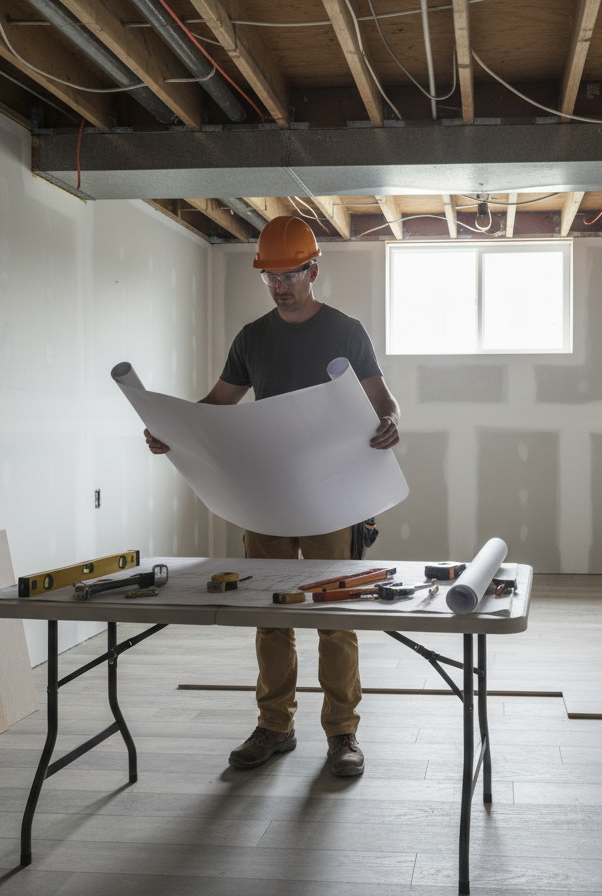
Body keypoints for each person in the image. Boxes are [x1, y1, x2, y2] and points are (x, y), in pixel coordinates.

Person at [144, 216, 399, 778]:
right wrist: (173, 429)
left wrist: (390, 423)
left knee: (334, 618)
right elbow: (216, 404)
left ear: (313, 270)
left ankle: (342, 735)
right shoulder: (252, 338)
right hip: (267, 499)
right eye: (271, 277)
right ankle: (275, 726)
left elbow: (383, 400)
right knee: (269, 614)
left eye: (290, 274)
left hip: (334, 499)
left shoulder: (346, 330)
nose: (280, 286)